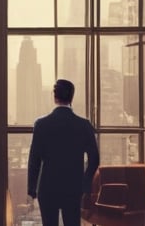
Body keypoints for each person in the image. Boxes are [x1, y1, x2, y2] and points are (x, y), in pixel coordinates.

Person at [27, 79, 100, 226]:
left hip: (47, 187)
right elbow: (94, 159)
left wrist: (31, 189)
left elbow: (34, 159)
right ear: (72, 97)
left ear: (55, 97)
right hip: (73, 188)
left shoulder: (41, 124)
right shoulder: (83, 125)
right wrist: (85, 185)